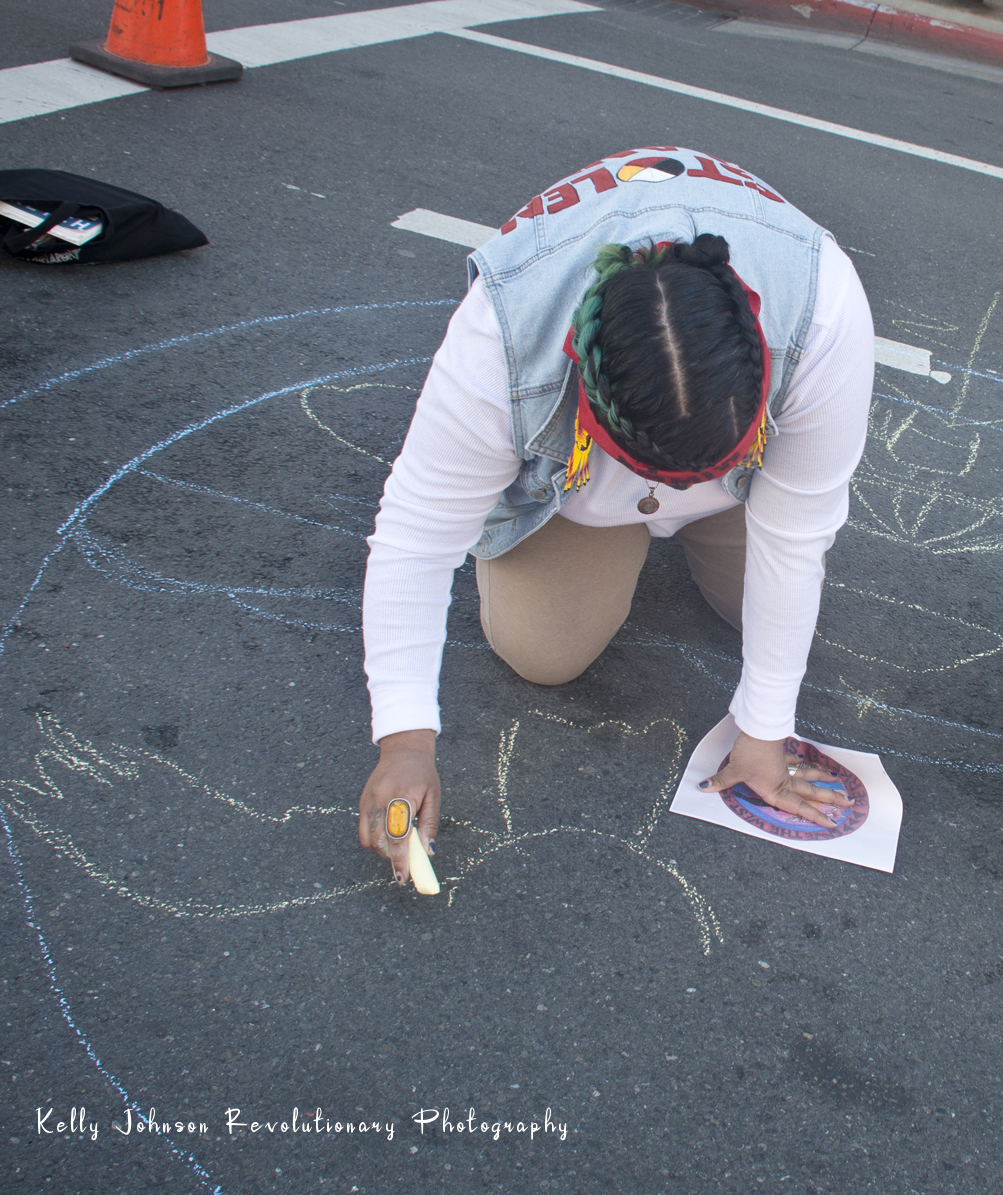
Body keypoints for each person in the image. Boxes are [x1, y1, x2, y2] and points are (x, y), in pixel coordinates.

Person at [356, 147, 875, 884]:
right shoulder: (503, 340)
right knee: (543, 653)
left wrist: (763, 733)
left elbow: (797, 532)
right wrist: (404, 741)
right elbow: (414, 536)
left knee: (774, 617)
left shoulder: (822, 307)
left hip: (737, 477)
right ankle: (605, 517)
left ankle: (706, 500)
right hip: (578, 490)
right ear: (591, 401)